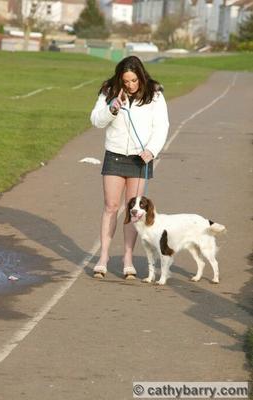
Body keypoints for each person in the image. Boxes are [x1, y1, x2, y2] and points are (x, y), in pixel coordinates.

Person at [90, 55, 169, 279]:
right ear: (120, 79)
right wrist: (112, 108)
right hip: (115, 154)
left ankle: (127, 258)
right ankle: (103, 256)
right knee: (111, 206)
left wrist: (152, 150)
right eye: (126, 81)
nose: (130, 86)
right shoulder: (109, 91)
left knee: (133, 210)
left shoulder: (154, 93)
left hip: (140, 158)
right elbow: (96, 120)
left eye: (134, 81)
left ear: (141, 76)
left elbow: (162, 125)